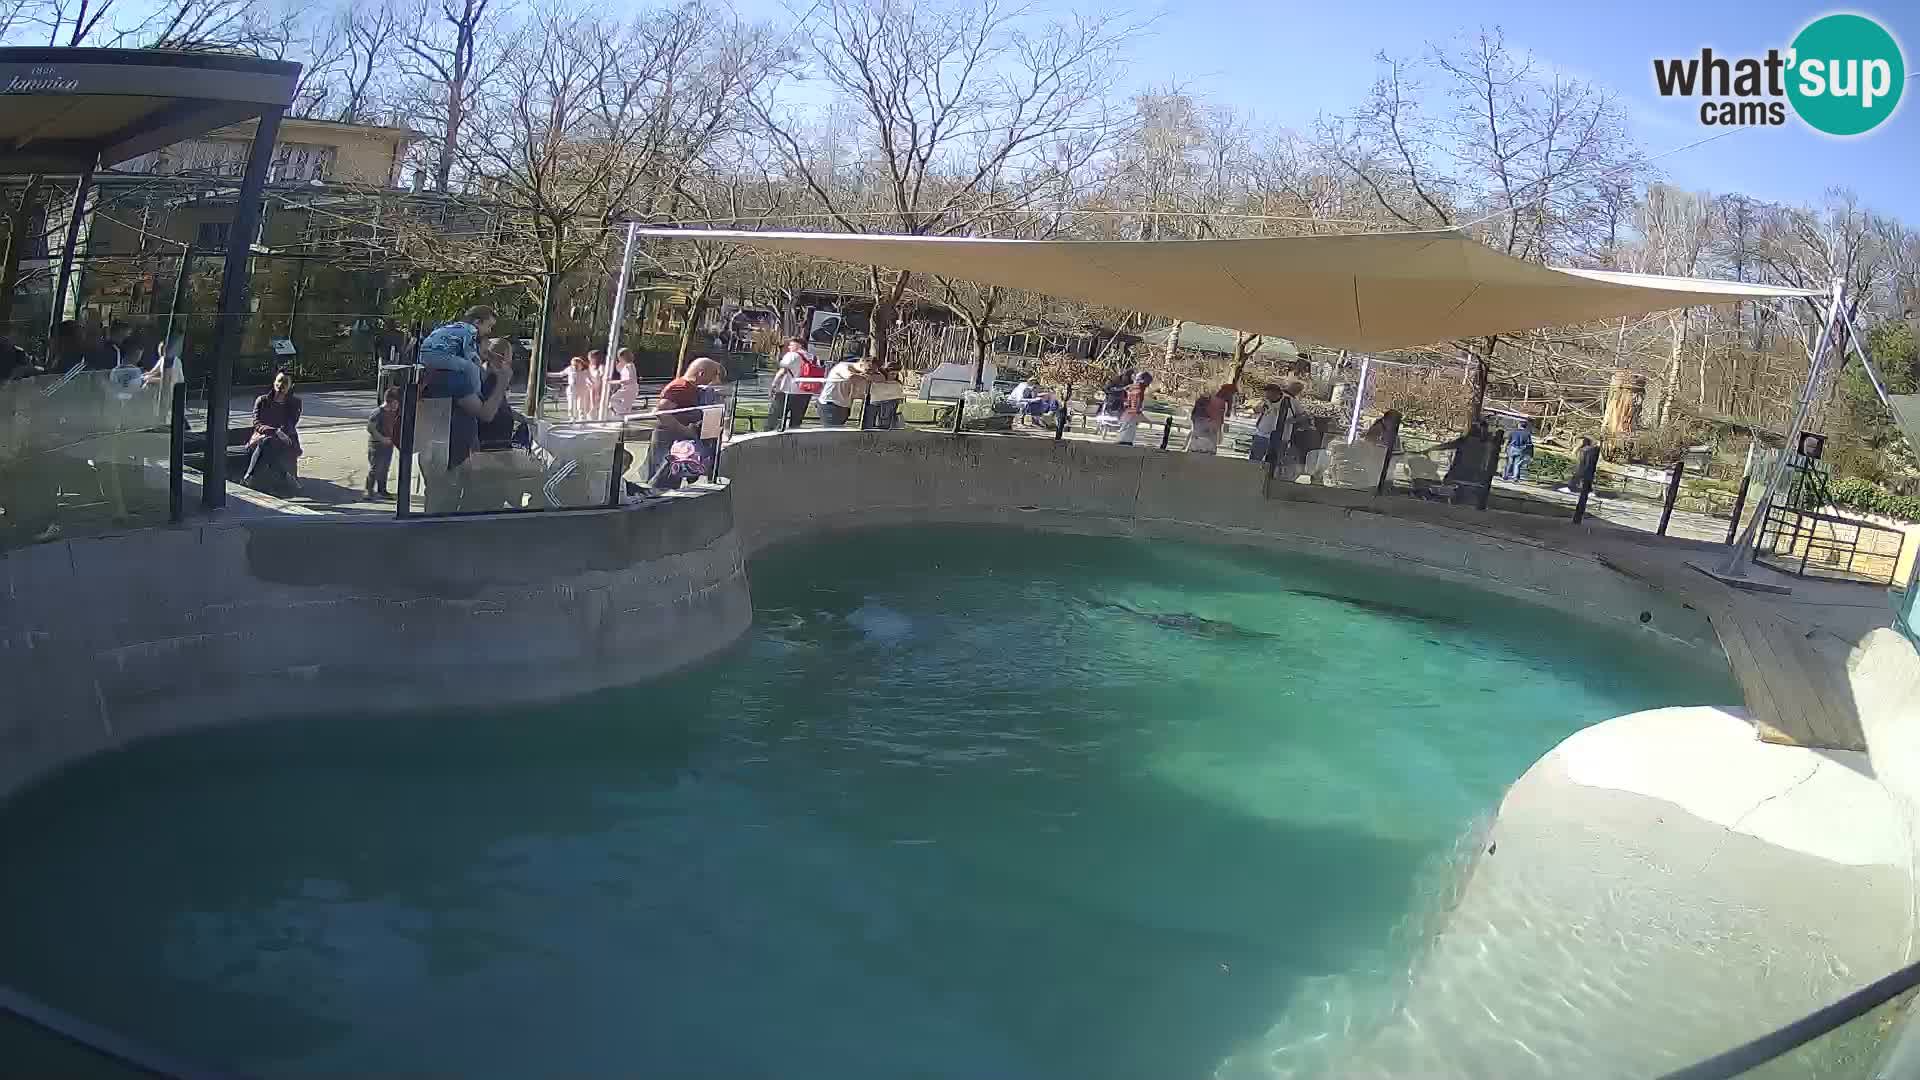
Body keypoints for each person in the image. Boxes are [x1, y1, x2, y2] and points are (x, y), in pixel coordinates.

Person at [649, 357, 725, 489]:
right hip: (667, 439)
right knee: (661, 478)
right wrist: (685, 430)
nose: (712, 380)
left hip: (675, 441)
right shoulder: (682, 387)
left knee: (671, 477)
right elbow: (661, 411)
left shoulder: (692, 388)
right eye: (713, 375)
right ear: (701, 373)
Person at [243, 369, 304, 495]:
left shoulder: (295, 403)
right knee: (267, 442)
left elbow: (291, 423)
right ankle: (285, 476)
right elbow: (257, 423)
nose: (281, 385)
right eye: (279, 380)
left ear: (291, 386)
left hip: (286, 438)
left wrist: (280, 433)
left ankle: (249, 477)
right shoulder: (262, 400)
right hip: (262, 437)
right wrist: (275, 431)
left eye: (285, 382)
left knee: (268, 443)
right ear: (274, 382)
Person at [417, 305, 498, 389]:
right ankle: (478, 392)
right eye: (489, 326)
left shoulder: (457, 326)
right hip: (438, 356)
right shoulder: (471, 330)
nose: (489, 330)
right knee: (471, 367)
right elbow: (469, 354)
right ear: (477, 322)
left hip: (424, 355)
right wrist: (479, 364)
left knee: (468, 365)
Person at [770, 337, 823, 430]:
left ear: (799, 345)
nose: (789, 346)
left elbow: (782, 370)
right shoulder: (814, 358)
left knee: (777, 417)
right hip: (806, 392)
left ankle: (772, 437)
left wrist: (773, 384)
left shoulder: (792, 355)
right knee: (796, 421)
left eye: (791, 344)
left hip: (788, 391)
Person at [365, 386, 402, 498]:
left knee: (385, 468)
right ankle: (369, 491)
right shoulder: (377, 413)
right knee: (375, 469)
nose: (398, 406)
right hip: (376, 445)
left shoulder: (393, 412)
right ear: (391, 401)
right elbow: (370, 428)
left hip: (388, 445)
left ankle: (382, 490)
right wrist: (382, 439)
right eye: (396, 403)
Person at [817, 354, 867, 427]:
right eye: (868, 369)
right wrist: (867, 377)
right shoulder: (843, 367)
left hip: (843, 405)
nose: (869, 372)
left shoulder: (858, 373)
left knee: (839, 430)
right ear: (861, 364)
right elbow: (850, 376)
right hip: (830, 404)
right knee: (831, 431)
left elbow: (856, 394)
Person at [1248, 384, 1289, 462]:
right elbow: (1256, 410)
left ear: (1275, 393)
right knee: (1254, 460)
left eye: (1268, 395)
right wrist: (1259, 407)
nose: (1266, 396)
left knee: (1269, 463)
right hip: (1260, 434)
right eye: (1266, 394)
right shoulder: (1266, 401)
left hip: (1274, 437)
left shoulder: (1285, 403)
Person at [864, 358, 905, 429]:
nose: (894, 376)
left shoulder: (896, 383)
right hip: (877, 406)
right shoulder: (878, 378)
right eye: (892, 373)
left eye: (896, 374)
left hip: (891, 407)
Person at [1117, 371, 1152, 445]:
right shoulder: (1139, 389)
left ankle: (1123, 441)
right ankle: (1125, 442)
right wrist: (1139, 413)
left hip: (1127, 412)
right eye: (1147, 382)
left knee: (1126, 429)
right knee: (1129, 430)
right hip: (1132, 413)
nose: (1148, 385)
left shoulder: (1132, 387)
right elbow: (1137, 403)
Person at [608, 347, 640, 419]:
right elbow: (619, 370)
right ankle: (622, 419)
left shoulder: (629, 365)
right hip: (629, 388)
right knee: (626, 407)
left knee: (613, 399)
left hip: (629, 388)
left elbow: (631, 379)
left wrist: (614, 382)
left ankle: (621, 416)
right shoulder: (626, 365)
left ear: (622, 357)